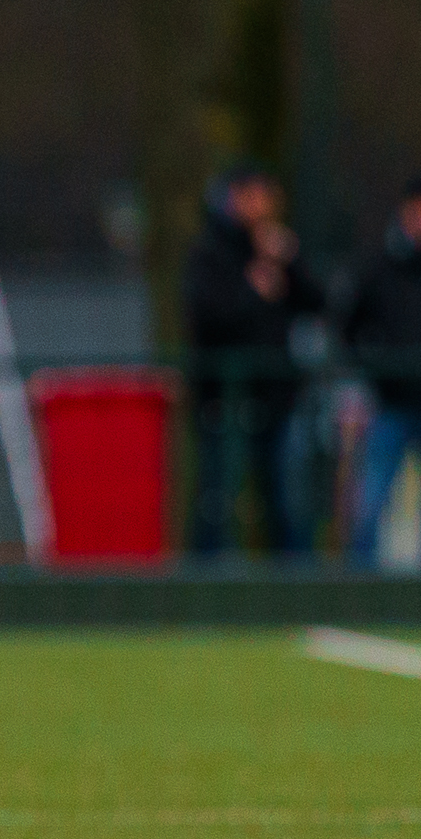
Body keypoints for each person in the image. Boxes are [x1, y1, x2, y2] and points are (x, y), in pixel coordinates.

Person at [182, 165, 324, 556]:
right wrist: (251, 289)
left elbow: (317, 303)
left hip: (276, 397)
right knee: (216, 502)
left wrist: (290, 262)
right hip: (222, 398)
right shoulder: (209, 252)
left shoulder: (281, 249)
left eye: (266, 196)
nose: (260, 206)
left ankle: (294, 582)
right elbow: (208, 318)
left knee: (286, 500)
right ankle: (204, 582)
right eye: (251, 196)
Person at [341, 176, 421, 563]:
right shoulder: (378, 266)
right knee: (371, 500)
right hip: (390, 402)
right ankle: (360, 584)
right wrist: (371, 371)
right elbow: (346, 327)